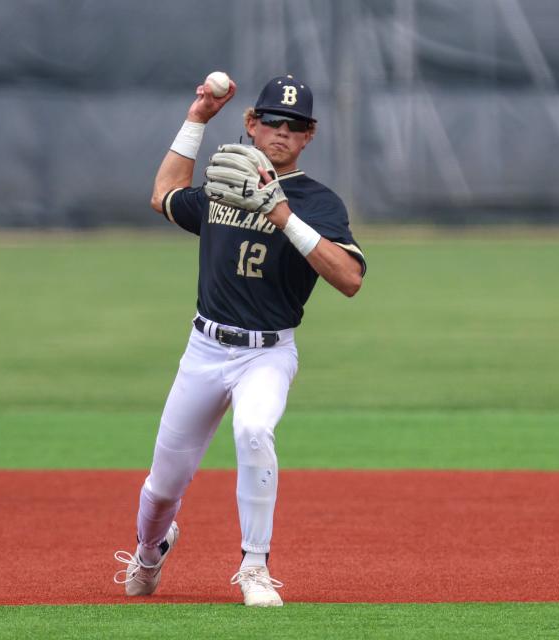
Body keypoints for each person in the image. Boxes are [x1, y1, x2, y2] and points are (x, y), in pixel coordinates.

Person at [113, 73, 366, 607]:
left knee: (254, 430)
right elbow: (164, 195)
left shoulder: (317, 204)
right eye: (271, 120)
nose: (281, 132)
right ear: (251, 124)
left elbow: (349, 279)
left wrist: (282, 213)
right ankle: (149, 550)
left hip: (269, 354)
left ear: (309, 136)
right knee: (163, 486)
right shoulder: (225, 185)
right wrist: (197, 118)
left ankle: (255, 567)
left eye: (294, 126)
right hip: (204, 349)